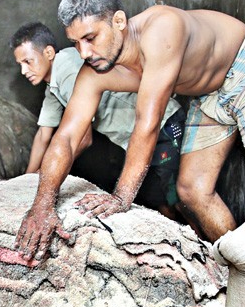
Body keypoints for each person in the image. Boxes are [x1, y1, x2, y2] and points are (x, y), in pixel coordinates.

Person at [15, 0, 245, 261]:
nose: (84, 53)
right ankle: (241, 265)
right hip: (208, 94)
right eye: (75, 43)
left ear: (119, 21)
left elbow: (147, 122)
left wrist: (121, 198)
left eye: (91, 38)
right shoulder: (93, 72)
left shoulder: (161, 29)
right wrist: (43, 205)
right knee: (191, 192)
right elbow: (66, 137)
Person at [10, 21, 186, 220]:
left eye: (28, 61)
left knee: (176, 201)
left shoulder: (68, 68)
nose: (24, 71)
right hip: (138, 140)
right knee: (159, 200)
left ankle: (198, 242)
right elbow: (43, 134)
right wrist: (27, 179)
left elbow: (82, 139)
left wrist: (46, 178)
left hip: (163, 126)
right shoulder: (53, 86)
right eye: (20, 65)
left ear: (49, 53)